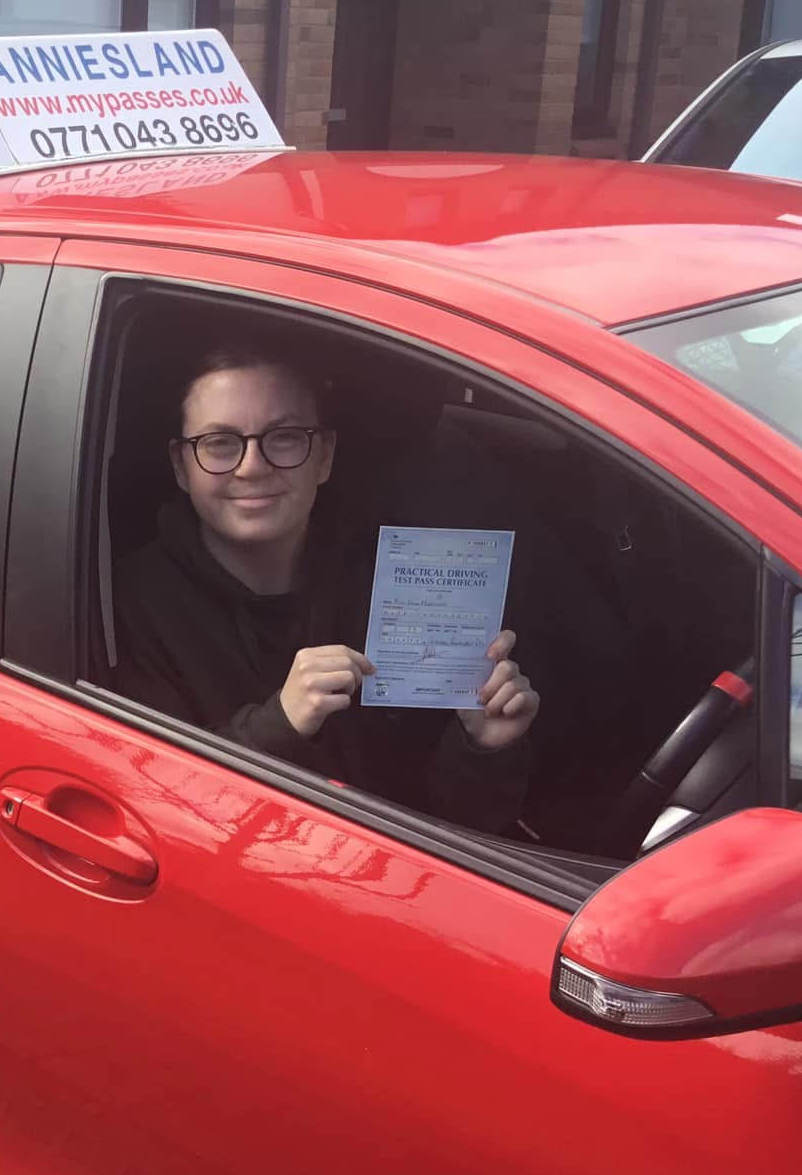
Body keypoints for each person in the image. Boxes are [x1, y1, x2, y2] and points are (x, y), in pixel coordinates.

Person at [112, 342, 540, 833]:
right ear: (180, 467)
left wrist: (485, 748)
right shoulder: (131, 603)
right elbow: (151, 814)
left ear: (325, 456)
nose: (252, 466)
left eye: (286, 437)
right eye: (220, 443)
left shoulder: (395, 583)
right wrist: (279, 724)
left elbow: (449, 829)